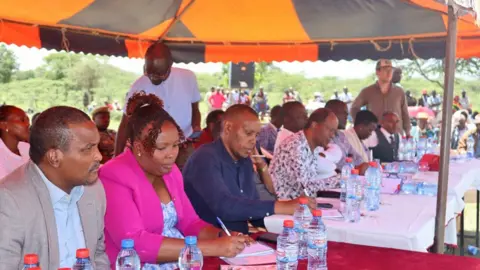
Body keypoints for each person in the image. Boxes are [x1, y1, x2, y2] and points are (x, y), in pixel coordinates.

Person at [99, 94, 249, 268]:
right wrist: (212, 247)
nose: (171, 154)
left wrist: (221, 236)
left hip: (180, 262)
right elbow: (135, 243)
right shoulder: (113, 175)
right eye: (162, 148)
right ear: (138, 147)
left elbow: (190, 223)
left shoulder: (170, 172)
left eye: (175, 145)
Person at [0, 106, 109, 269]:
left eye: (97, 146)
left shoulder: (93, 188)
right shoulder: (9, 200)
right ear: (54, 157)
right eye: (88, 149)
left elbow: (97, 254)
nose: (99, 156)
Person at [183, 104, 315, 234]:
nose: (253, 141)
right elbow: (225, 206)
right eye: (248, 133)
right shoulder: (205, 157)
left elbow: (253, 209)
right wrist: (281, 206)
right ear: (228, 128)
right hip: (210, 245)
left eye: (256, 135)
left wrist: (297, 219)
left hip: (241, 242)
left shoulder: (244, 160)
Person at [115, 43, 202, 170]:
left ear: (170, 65)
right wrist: (117, 157)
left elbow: (195, 107)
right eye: (150, 73)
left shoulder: (188, 77)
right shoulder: (138, 86)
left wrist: (196, 126)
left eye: (160, 74)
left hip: (184, 145)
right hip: (154, 150)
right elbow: (125, 124)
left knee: (183, 183)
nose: (153, 77)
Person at [270, 108, 340, 199]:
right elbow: (306, 189)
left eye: (334, 132)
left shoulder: (312, 146)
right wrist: (340, 180)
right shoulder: (295, 147)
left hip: (302, 204)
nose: (332, 135)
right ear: (314, 125)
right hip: (286, 206)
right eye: (330, 130)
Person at [350, 59, 411, 136]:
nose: (389, 73)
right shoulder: (367, 91)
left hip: (396, 136)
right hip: (375, 136)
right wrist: (362, 125)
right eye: (385, 69)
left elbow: (405, 114)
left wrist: (408, 132)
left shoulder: (399, 92)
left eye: (391, 70)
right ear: (377, 72)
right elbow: (354, 108)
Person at [324, 100, 367, 173]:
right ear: (332, 113)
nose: (347, 116)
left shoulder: (341, 135)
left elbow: (358, 158)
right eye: (344, 113)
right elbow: (335, 165)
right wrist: (356, 168)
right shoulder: (323, 135)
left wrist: (360, 166)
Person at [0, 105, 30, 180]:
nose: (28, 124)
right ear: (4, 125)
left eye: (28, 120)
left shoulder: (27, 148)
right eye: (22, 120)